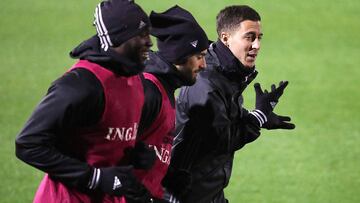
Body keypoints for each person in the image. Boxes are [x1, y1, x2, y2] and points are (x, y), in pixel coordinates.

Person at [15, 0, 156, 202]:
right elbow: (28, 144)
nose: (149, 42)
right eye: (141, 34)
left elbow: (104, 138)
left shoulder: (134, 79)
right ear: (118, 38)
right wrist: (94, 178)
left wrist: (135, 153)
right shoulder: (80, 86)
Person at [163, 5, 296, 203]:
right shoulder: (205, 82)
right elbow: (222, 139)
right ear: (225, 38)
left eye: (260, 37)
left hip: (208, 191)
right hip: (186, 195)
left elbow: (221, 115)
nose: (257, 45)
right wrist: (257, 117)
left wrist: (253, 115)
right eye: (250, 37)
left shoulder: (227, 72)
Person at [133, 5, 209, 202]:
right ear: (180, 56)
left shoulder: (165, 88)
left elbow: (150, 149)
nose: (204, 65)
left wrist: (167, 175)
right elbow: (108, 149)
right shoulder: (149, 92)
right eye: (199, 56)